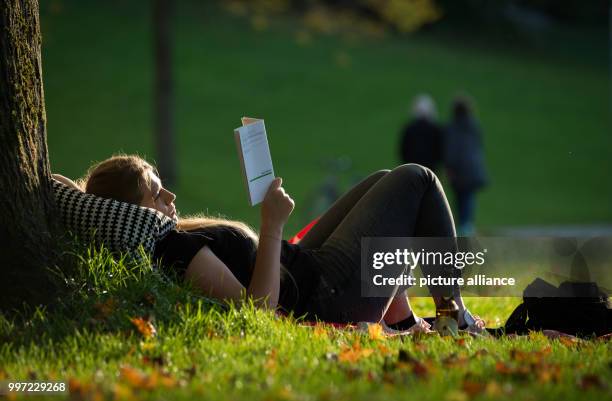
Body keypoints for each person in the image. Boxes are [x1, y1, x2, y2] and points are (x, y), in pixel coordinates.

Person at [53, 154, 485, 332]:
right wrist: (272, 224)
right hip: (324, 298)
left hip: (308, 270)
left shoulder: (172, 235)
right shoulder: (172, 249)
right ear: (134, 210)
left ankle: (404, 318)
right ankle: (453, 315)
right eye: (156, 193)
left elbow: (59, 186)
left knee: (381, 182)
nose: (170, 198)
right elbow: (259, 312)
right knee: (417, 180)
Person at [444, 95, 489, 236]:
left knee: (458, 202)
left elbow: (451, 150)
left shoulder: (452, 128)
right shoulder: (474, 127)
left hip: (458, 172)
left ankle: (462, 232)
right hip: (472, 172)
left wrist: (449, 168)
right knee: (468, 202)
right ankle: (467, 230)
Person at [398, 94, 444, 172]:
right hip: (430, 169)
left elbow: (403, 150)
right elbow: (439, 150)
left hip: (412, 170)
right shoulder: (435, 129)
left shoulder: (409, 128)